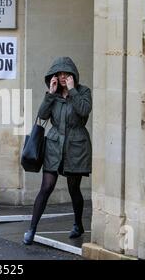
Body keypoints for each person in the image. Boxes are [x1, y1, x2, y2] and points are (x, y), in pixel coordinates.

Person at [23, 57, 92, 245]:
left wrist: (72, 90)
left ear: (73, 75)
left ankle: (78, 224)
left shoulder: (83, 91)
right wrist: (50, 94)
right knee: (46, 187)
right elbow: (42, 116)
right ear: (54, 76)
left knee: (73, 188)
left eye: (66, 74)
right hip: (54, 145)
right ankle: (32, 229)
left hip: (76, 146)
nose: (63, 77)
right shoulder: (53, 94)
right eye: (59, 74)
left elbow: (84, 111)